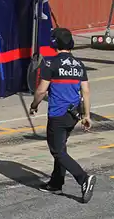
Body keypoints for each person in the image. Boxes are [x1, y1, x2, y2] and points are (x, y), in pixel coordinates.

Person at [30, 27, 96, 203]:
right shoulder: (79, 65)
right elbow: (86, 91)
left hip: (58, 114)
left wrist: (34, 105)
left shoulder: (51, 63)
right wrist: (87, 115)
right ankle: (56, 183)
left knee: (57, 151)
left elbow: (41, 91)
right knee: (61, 148)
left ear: (54, 43)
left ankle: (83, 179)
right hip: (73, 115)